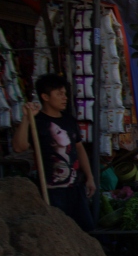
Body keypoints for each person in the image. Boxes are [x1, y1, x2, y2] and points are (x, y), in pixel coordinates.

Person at [13, 73, 96, 232]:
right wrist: (26, 119)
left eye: (64, 93)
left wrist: (90, 177)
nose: (64, 97)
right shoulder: (37, 121)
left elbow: (79, 148)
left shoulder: (68, 120)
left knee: (86, 231)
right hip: (51, 190)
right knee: (59, 232)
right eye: (59, 94)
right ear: (45, 96)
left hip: (75, 188)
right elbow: (19, 147)